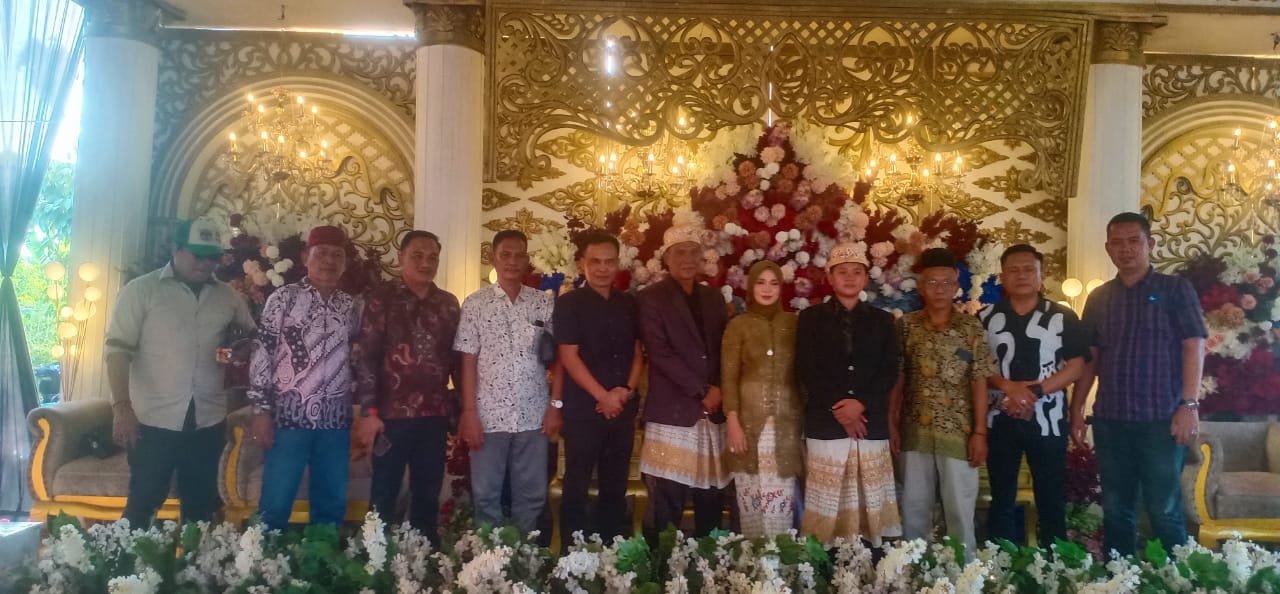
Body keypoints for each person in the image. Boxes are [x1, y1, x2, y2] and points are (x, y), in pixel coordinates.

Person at [106, 218, 255, 527]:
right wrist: (121, 407)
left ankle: (194, 559)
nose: (205, 264)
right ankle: (128, 559)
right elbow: (117, 351)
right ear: (176, 249)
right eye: (197, 255)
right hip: (152, 420)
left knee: (201, 508)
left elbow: (249, 341)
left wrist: (238, 352)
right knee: (143, 503)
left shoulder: (229, 297)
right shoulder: (141, 290)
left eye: (212, 257)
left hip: (208, 419)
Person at [1073, 212, 1206, 557]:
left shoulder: (1175, 290)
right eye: (1117, 243)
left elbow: (1193, 346)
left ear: (1151, 244)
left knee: (1164, 510)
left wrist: (1189, 405)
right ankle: (1120, 577)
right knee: (1116, 511)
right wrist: (1077, 410)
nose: (1126, 249)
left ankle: (1177, 579)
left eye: (1134, 241)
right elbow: (1091, 358)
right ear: (1108, 248)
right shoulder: (1099, 297)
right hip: (1111, 421)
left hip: (1161, 420)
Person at [247, 225, 360, 531]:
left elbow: (358, 359)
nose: (329, 261)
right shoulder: (283, 299)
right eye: (321, 254)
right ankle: (264, 558)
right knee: (275, 502)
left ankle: (322, 556)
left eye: (337, 255)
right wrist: (261, 411)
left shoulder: (350, 306)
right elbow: (263, 353)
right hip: (288, 418)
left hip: (335, 422)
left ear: (345, 262)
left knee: (331, 504)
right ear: (305, 257)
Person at [353, 230, 461, 542]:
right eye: (417, 255)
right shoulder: (381, 298)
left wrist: (461, 411)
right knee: (384, 493)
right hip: (390, 416)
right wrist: (369, 412)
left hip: (434, 415)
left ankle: (422, 557)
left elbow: (457, 361)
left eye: (432, 257)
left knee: (428, 492)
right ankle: (376, 557)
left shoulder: (448, 304)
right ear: (401, 257)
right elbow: (367, 358)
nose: (425, 263)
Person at [977, 244, 1088, 546]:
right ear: (1002, 277)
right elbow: (976, 365)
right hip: (999, 419)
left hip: (1048, 421)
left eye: (1029, 269)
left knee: (1051, 497)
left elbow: (1077, 366)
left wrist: (1033, 392)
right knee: (1001, 496)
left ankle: (1054, 563)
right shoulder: (984, 317)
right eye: (1013, 270)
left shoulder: (1063, 316)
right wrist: (1009, 387)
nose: (1021, 275)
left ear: (1041, 276)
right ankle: (1001, 562)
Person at [891, 247, 996, 556]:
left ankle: (963, 575)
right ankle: (912, 572)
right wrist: (891, 423)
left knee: (960, 510)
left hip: (959, 432)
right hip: (914, 431)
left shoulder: (970, 327)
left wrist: (980, 432)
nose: (939, 289)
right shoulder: (906, 326)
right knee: (913, 509)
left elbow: (979, 379)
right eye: (932, 282)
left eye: (946, 282)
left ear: (956, 287)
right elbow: (897, 379)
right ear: (921, 288)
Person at [795, 243, 902, 545]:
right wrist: (839, 407)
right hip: (826, 423)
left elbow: (889, 371)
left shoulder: (883, 321)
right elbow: (807, 368)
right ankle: (823, 563)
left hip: (870, 423)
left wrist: (860, 404)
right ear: (830, 277)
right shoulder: (811, 318)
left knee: (870, 505)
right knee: (828, 504)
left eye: (857, 272)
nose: (850, 278)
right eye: (842, 272)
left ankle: (873, 562)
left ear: (866, 278)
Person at [454, 229, 556, 532]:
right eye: (505, 255)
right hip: (488, 415)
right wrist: (469, 412)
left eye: (519, 255)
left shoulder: (543, 303)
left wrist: (556, 405)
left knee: (533, 495)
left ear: (527, 259)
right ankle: (491, 556)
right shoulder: (475, 304)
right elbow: (468, 361)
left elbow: (559, 358)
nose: (512, 261)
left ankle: (524, 552)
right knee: (486, 496)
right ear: (493, 258)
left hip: (533, 414)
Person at [637, 224, 732, 540]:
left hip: (712, 411)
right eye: (680, 252)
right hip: (673, 411)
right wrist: (701, 390)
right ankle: (660, 563)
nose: (688, 259)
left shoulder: (713, 297)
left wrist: (718, 388)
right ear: (666, 258)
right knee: (667, 500)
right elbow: (659, 351)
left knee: (711, 495)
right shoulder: (651, 298)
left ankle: (709, 561)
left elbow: (724, 347)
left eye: (694, 252)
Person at [552, 230, 644, 549]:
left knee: (615, 487)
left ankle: (612, 556)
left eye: (609, 262)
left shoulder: (629, 303)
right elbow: (568, 356)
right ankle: (573, 557)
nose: (603, 268)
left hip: (622, 409)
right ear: (583, 264)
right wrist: (603, 396)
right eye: (595, 262)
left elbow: (638, 354)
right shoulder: (569, 303)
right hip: (584, 411)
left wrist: (626, 391)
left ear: (618, 263)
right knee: (576, 485)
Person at [722, 260, 802, 539]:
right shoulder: (738, 325)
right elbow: (728, 377)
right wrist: (732, 420)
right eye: (760, 282)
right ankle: (753, 560)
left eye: (774, 283)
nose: (767, 289)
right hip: (747, 424)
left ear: (781, 288)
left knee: (781, 500)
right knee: (751, 498)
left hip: (785, 426)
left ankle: (781, 558)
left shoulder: (793, 324)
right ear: (750, 286)